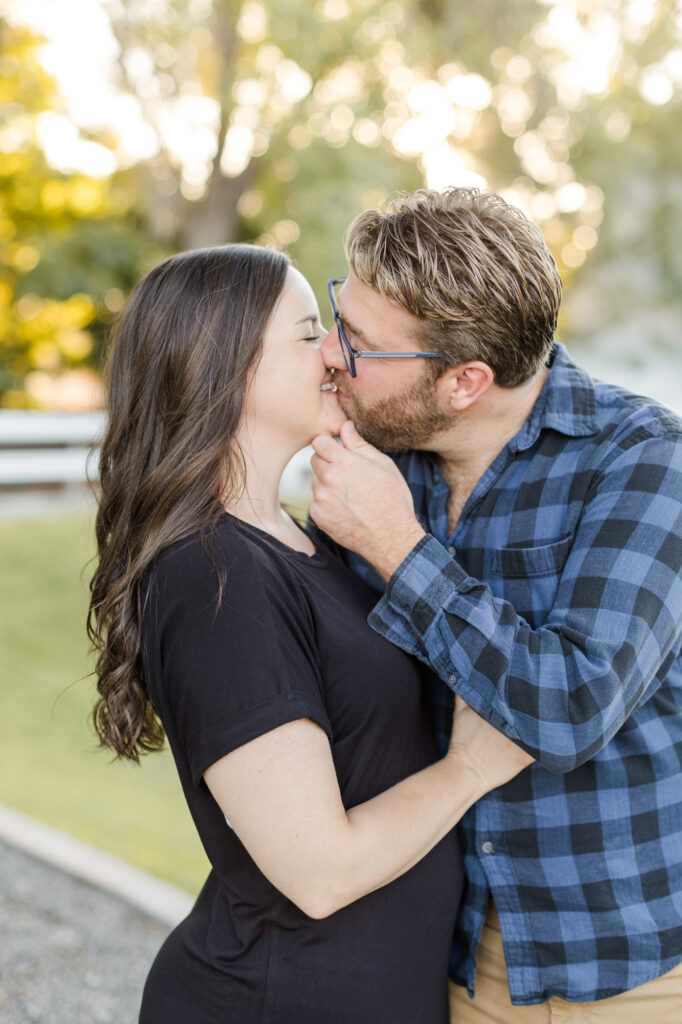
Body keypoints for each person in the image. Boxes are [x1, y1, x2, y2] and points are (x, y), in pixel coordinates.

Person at [87, 243, 532, 1024]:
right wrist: (470, 769)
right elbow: (318, 871)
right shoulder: (211, 576)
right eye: (306, 333)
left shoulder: (303, 543)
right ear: (225, 367)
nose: (336, 350)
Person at [309, 187, 682, 1022]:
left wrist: (400, 550)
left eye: (360, 344)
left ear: (466, 381)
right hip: (446, 957)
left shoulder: (645, 464)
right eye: (341, 316)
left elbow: (572, 709)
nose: (331, 355)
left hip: (628, 971)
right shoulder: (382, 458)